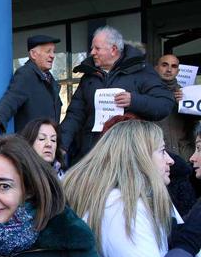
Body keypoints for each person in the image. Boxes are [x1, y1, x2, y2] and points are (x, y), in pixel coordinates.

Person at [64, 120, 201, 257]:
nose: (171, 160)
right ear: (138, 157)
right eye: (162, 151)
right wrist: (189, 239)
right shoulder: (118, 205)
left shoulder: (146, 198)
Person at [60, 26, 175, 163]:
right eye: (92, 48)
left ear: (113, 50)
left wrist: (134, 101)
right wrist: (62, 145)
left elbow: (165, 104)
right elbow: (75, 114)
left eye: (97, 48)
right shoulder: (89, 77)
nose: (92, 52)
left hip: (129, 153)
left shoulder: (142, 71)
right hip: (93, 153)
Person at [0, 35, 62, 133]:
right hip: (29, 144)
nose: (52, 55)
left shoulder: (50, 80)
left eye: (53, 51)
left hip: (48, 143)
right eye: (48, 51)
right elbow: (11, 98)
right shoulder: (26, 74)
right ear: (33, 54)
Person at [154, 54, 199, 160]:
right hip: (156, 155)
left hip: (183, 156)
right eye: (165, 65)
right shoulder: (145, 93)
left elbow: (195, 122)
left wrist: (184, 106)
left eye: (174, 66)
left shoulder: (186, 94)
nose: (169, 69)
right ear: (156, 68)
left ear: (178, 72)